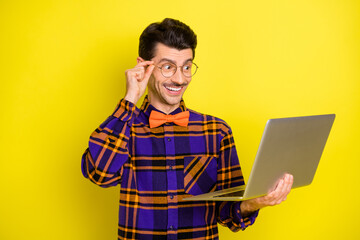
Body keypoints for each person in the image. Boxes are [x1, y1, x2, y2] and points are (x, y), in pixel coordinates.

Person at [81, 18, 293, 240]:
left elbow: (227, 214)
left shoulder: (217, 132)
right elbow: (99, 174)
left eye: (186, 67)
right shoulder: (125, 128)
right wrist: (130, 100)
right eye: (167, 67)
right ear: (144, 66)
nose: (180, 78)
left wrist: (255, 202)